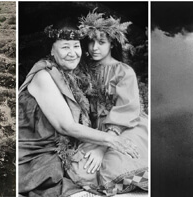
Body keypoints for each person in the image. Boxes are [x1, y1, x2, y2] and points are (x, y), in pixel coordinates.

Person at [17, 19, 139, 197]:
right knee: (56, 174)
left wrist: (106, 141)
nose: (73, 53)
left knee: (114, 163)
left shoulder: (75, 73)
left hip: (68, 141)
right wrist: (110, 140)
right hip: (37, 148)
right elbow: (65, 126)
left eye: (76, 46)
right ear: (51, 50)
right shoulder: (44, 75)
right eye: (65, 47)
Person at [65, 10, 149, 196]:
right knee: (82, 168)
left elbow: (127, 110)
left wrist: (103, 147)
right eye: (91, 42)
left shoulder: (123, 71)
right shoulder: (80, 68)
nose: (95, 47)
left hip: (125, 126)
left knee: (116, 165)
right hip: (94, 129)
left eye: (101, 42)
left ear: (112, 44)